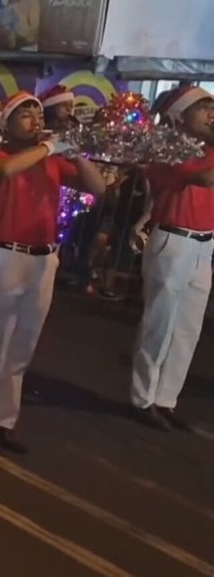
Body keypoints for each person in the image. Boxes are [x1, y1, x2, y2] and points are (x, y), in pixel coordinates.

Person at [0, 91, 104, 454]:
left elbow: (98, 187)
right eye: (25, 114)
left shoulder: (53, 160)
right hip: (7, 257)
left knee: (22, 347)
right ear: (7, 124)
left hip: (44, 260)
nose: (35, 119)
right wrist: (50, 147)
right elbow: (7, 171)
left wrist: (77, 152)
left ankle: (5, 421)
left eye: (37, 113)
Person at [130, 85, 214, 431]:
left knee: (188, 329)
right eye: (204, 108)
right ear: (180, 115)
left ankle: (166, 399)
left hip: (204, 244)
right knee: (160, 323)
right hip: (173, 241)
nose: (212, 114)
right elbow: (205, 178)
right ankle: (142, 398)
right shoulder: (169, 150)